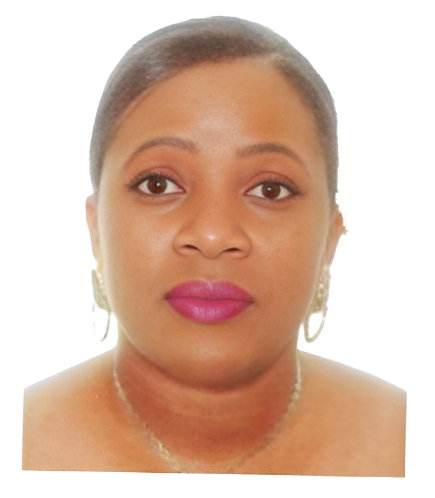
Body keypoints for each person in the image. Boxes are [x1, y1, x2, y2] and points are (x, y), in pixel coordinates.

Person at [21, 16, 406, 476]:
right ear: (96, 229)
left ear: (330, 237)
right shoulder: (19, 447)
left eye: (269, 190)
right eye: (158, 184)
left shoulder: (409, 446)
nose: (212, 235)